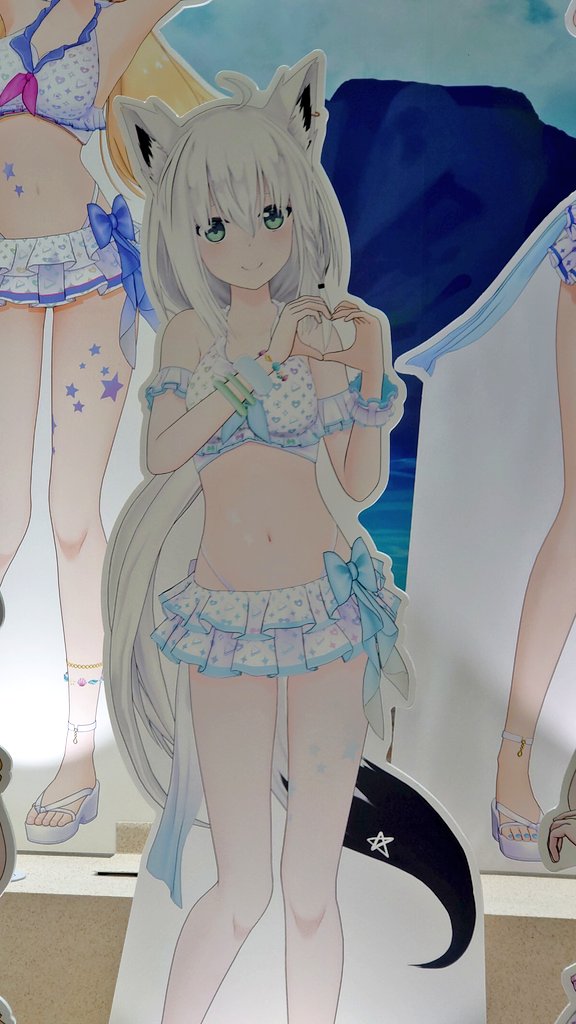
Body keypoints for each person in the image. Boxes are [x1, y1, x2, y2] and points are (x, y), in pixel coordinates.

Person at [106, 52, 477, 1023]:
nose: (248, 245)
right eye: (216, 225)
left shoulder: (330, 329)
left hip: (326, 613)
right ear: (184, 231)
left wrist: (369, 365)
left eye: (270, 215)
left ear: (300, 208)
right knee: (241, 888)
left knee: (313, 891)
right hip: (225, 620)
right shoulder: (191, 338)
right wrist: (252, 368)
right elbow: (163, 451)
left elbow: (356, 482)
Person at [0, 0, 212, 843]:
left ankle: (80, 752)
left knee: (71, 517)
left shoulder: (105, 15)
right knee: (3, 514)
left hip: (89, 268)